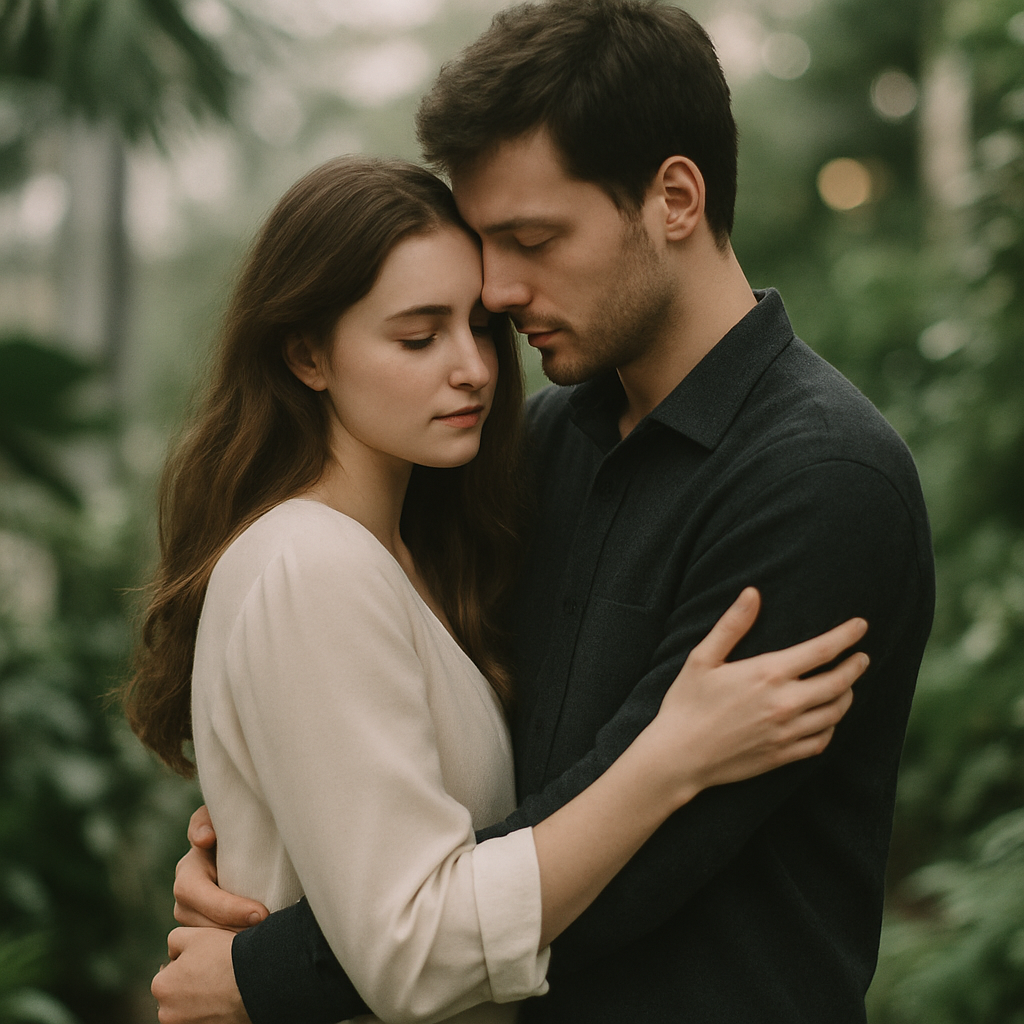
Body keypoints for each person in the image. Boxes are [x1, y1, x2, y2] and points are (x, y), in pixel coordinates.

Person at [161, 1, 935, 1022]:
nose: (499, 288)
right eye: (487, 243)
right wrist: (279, 826)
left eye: (531, 238)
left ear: (673, 198)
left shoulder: (820, 479)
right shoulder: (533, 450)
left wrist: (271, 972)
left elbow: (642, 858)